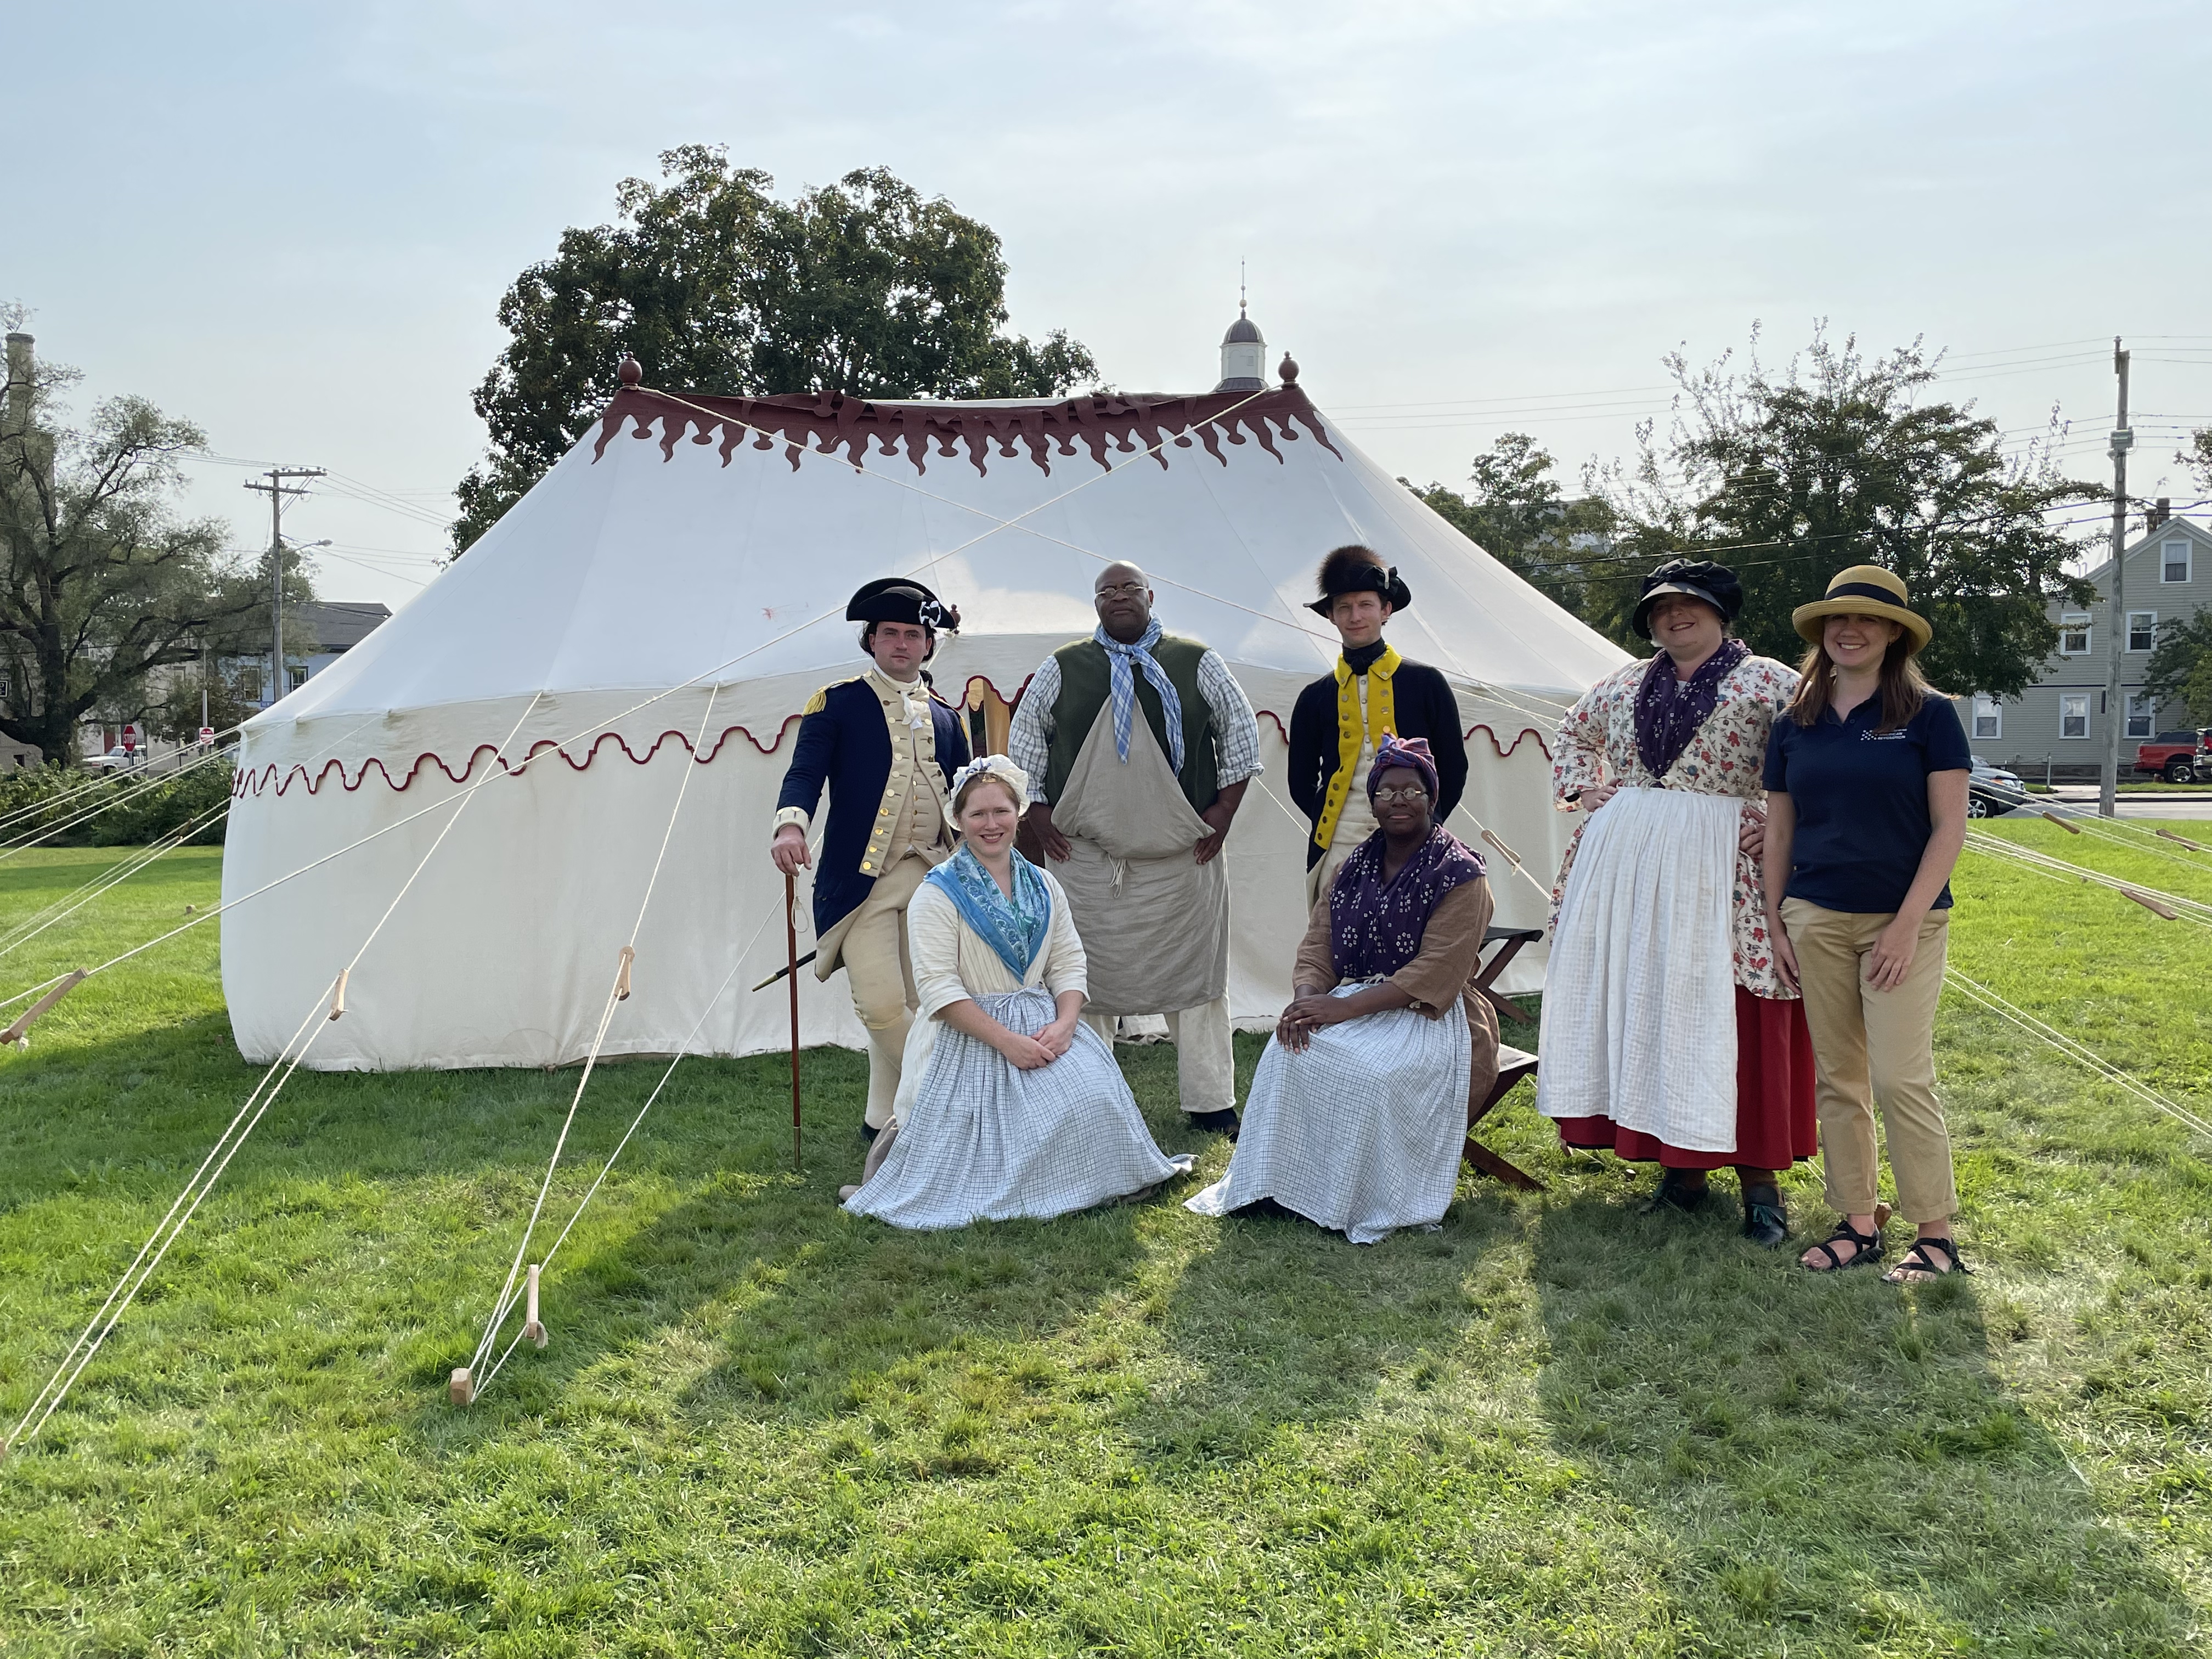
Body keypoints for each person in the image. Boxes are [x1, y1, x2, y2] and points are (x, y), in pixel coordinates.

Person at [1536, 559, 1815, 1244]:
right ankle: (1681, 1169)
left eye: (1689, 605)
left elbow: (1818, 757)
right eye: (1660, 609)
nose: (1673, 616)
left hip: (1722, 862)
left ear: (1722, 613)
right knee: (1654, 1001)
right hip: (1627, 866)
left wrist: (1784, 820)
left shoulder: (1772, 682)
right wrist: (1587, 791)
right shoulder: (1625, 682)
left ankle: (1759, 1180)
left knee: (1732, 1005)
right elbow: (1571, 731)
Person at [843, 757, 1193, 1228]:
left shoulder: (1045, 884)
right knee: (1005, 1130)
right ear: (959, 822)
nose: (992, 825)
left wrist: (1067, 1024)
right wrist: (1008, 1044)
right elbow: (939, 991)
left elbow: (1069, 962)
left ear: (1019, 812)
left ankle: (1070, 1180)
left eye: (1001, 812)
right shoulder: (937, 893)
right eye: (978, 815)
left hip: (1044, 1023)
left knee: (1093, 1100)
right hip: (969, 1034)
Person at [1186, 738, 1500, 1243]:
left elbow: (1436, 973)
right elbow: (1319, 945)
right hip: (1356, 1002)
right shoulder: (1351, 868)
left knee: (1370, 1074)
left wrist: (1340, 1009)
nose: (1399, 800)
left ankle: (1356, 1197)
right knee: (1287, 1053)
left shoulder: (1461, 875)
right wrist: (1308, 999)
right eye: (1387, 791)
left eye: (1412, 790)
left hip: (1433, 1015)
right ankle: (1278, 1186)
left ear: (1431, 798)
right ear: (1372, 802)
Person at [1762, 566, 1972, 1281]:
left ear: (1894, 635)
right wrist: (1776, 922)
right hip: (1815, 917)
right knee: (1839, 1078)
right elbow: (1780, 834)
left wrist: (1908, 924)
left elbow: (1950, 829)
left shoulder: (1929, 715)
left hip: (1903, 921)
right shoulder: (1793, 724)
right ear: (1821, 632)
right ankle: (1857, 1222)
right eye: (1836, 620)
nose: (1849, 631)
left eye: (1868, 621)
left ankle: (1936, 1235)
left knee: (1901, 1077)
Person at [1006, 561, 1263, 1137]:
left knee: (1196, 983)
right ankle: (1090, 1097)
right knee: (1084, 983)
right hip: (1088, 859)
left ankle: (1211, 1103)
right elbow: (1024, 747)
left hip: (1183, 858)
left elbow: (1242, 737)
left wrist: (1222, 812)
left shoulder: (1197, 661)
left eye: (1129, 588)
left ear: (1151, 595)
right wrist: (1040, 814)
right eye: (1107, 591)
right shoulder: (1064, 667)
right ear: (1095, 603)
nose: (1118, 597)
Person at [772, 579, 971, 1142]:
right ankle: (956, 1101)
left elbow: (965, 798)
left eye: (914, 634)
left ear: (929, 644)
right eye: (891, 633)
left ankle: (881, 1120)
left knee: (920, 1003)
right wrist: (791, 823)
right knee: (883, 1007)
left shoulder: (950, 716)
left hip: (936, 881)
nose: (903, 644)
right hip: (864, 886)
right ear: (872, 640)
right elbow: (806, 773)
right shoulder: (837, 703)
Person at [1286, 545, 1470, 905]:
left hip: (1416, 843)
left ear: (1386, 610)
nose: (1355, 616)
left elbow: (1454, 767)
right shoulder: (1314, 697)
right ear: (1332, 617)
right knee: (1334, 952)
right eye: (1344, 607)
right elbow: (1300, 782)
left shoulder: (1427, 682)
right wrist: (1335, 820)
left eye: (1366, 605)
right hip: (1337, 845)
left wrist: (1425, 824)